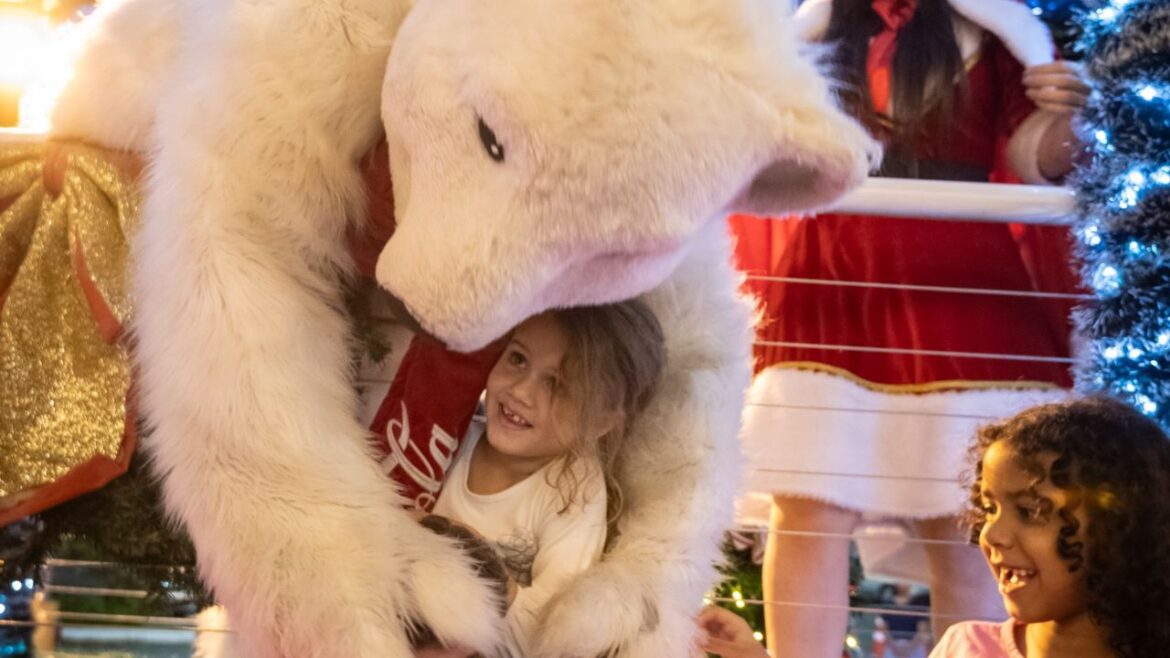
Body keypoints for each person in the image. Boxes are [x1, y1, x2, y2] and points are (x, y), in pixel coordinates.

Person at [730, 0, 1092, 655]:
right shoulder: (811, 32)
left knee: (964, 520)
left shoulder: (997, 30)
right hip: (832, 284)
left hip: (964, 290)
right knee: (808, 505)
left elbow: (1033, 158)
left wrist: (1068, 113)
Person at [416, 301, 667, 657]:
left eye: (556, 385)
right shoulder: (453, 431)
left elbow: (549, 630)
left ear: (601, 421)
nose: (520, 391)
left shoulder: (573, 490)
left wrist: (484, 591)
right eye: (518, 359)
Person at [930, 396, 1170, 657]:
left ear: (1120, 528)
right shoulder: (964, 648)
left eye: (1030, 511)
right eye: (990, 509)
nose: (992, 535)